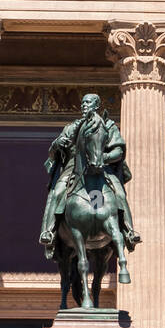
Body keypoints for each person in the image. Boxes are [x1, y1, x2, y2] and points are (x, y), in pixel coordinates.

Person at [39, 92, 138, 259]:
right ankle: (48, 232)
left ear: (96, 106)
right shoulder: (71, 127)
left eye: (89, 102)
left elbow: (118, 151)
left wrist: (103, 157)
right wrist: (56, 145)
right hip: (72, 169)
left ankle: (129, 231)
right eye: (83, 103)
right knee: (56, 193)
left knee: (119, 193)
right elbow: (52, 154)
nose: (84, 105)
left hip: (101, 168)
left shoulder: (108, 126)